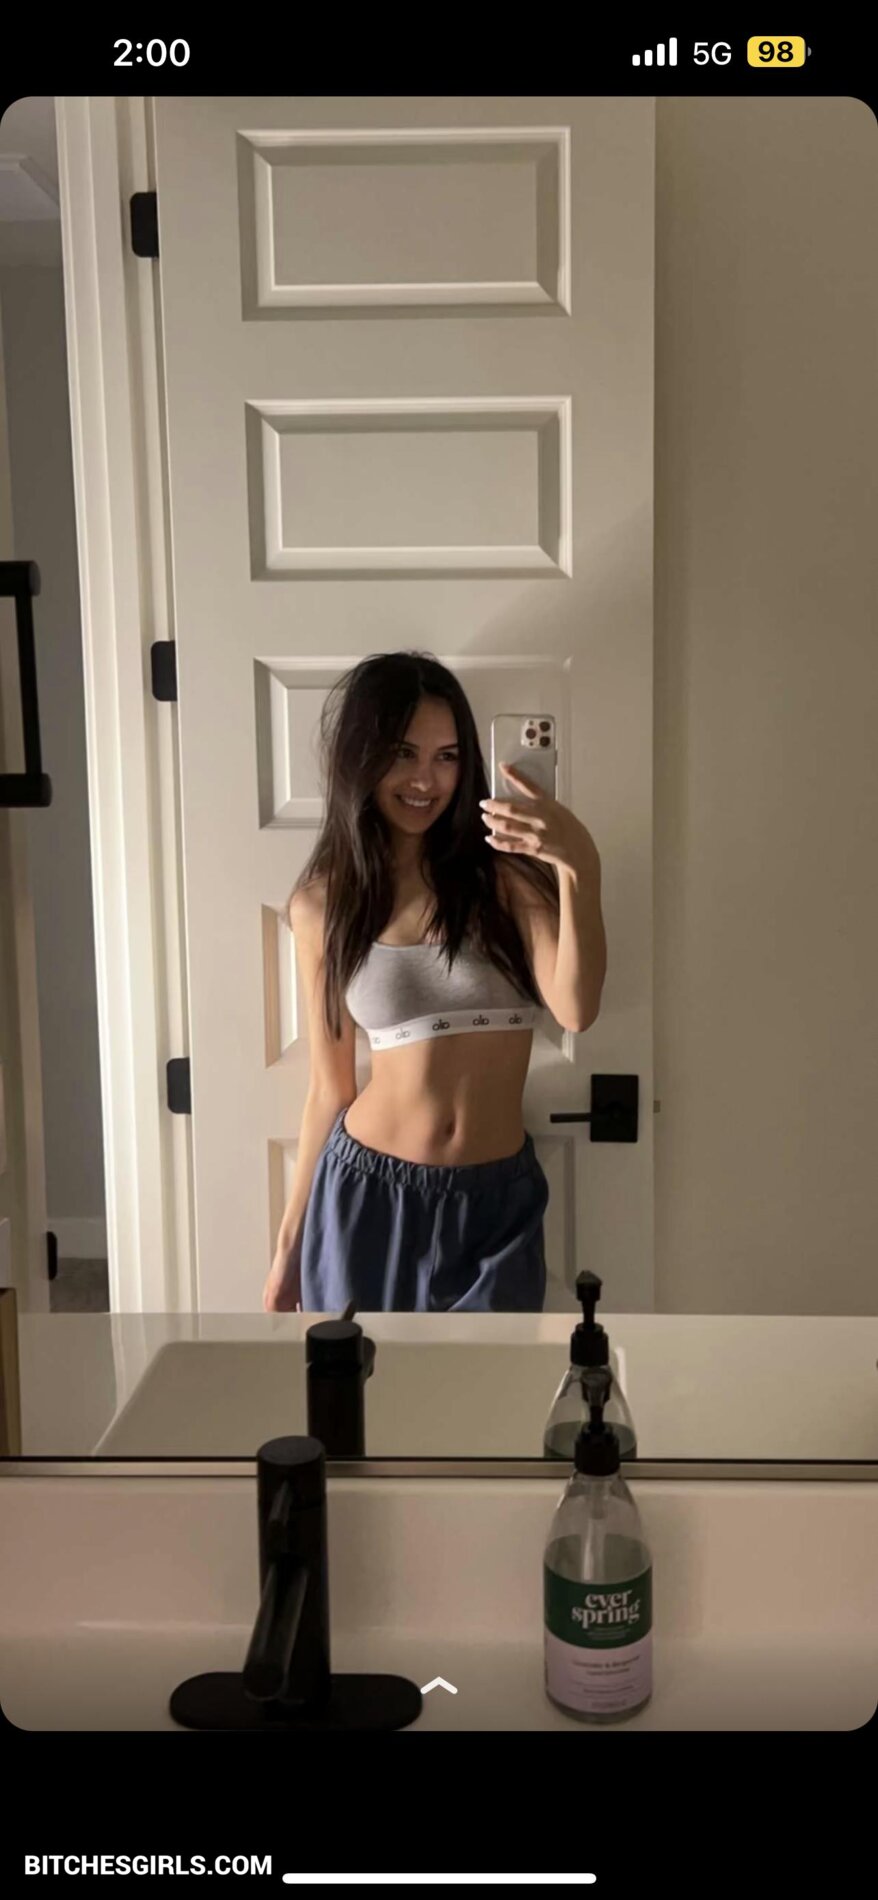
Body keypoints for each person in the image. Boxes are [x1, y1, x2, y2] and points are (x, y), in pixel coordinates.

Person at [262, 652, 606, 1314]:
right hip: (366, 1196)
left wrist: (578, 865)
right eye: (404, 754)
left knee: (488, 1381)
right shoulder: (324, 905)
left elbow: (576, 1008)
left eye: (447, 757)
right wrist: (288, 1247)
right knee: (363, 1380)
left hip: (497, 1205)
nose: (426, 780)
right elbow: (330, 1088)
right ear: (362, 757)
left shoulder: (506, 880)